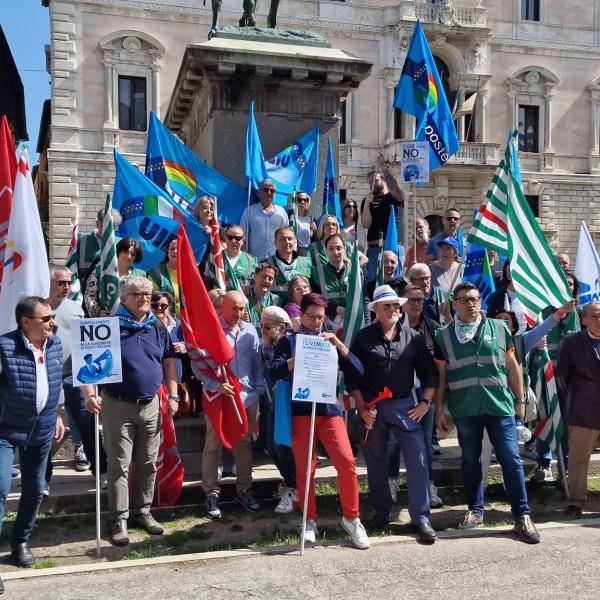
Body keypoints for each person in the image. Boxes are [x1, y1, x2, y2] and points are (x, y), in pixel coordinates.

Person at [433, 282, 540, 544]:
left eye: (474, 298)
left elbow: (512, 366)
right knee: (470, 461)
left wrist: (520, 399)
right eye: (464, 300)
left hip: (499, 407)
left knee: (511, 460)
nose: (471, 304)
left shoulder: (500, 328)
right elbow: (441, 377)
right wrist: (439, 410)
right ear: (454, 304)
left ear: (480, 301)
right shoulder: (443, 336)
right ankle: (475, 510)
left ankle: (522, 516)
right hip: (465, 409)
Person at [84, 276, 179, 546]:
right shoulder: (108, 327)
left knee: (148, 463)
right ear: (123, 298)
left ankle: (143, 512)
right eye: (136, 294)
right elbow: (86, 365)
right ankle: (119, 519)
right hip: (116, 405)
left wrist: (172, 395)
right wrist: (90, 394)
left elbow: (169, 362)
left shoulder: (157, 326)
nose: (143, 298)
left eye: (147, 294)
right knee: (119, 466)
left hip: (151, 404)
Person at [270, 293, 370, 550]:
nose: (316, 322)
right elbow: (275, 371)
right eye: (311, 316)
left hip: (329, 410)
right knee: (305, 468)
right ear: (301, 315)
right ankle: (309, 520)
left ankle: (351, 518)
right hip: (301, 410)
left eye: (320, 317)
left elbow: (358, 371)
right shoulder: (289, 341)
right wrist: (298, 357)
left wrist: (339, 345)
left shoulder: (330, 340)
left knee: (347, 462)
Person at [347, 285, 439, 543]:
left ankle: (421, 518)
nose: (392, 310)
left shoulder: (413, 337)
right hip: (373, 408)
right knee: (375, 462)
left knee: (417, 460)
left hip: (405, 406)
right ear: (375, 310)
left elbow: (430, 373)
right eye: (386, 305)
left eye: (396, 305)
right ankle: (381, 511)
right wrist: (362, 408)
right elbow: (352, 377)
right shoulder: (363, 338)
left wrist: (426, 403)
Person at [0, 297, 65, 575]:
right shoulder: (4, 346)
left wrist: (58, 413)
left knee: (36, 489)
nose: (53, 322)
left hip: (42, 428)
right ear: (25, 322)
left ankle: (21, 542)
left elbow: (55, 379)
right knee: (0, 489)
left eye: (52, 316)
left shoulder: (55, 343)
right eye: (46, 318)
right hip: (5, 429)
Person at [194, 291, 265, 519]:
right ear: (222, 307)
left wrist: (256, 390)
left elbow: (256, 364)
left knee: (243, 445)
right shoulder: (211, 332)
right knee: (213, 445)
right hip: (219, 398)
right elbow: (198, 366)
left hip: (247, 399)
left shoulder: (250, 331)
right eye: (234, 308)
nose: (239, 313)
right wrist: (215, 385)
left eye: (242, 308)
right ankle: (211, 493)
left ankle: (244, 490)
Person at [47, 265, 109, 490]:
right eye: (61, 282)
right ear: (50, 283)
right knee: (47, 430)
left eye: (68, 283)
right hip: (48, 378)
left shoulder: (77, 308)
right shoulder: (39, 307)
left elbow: (88, 343)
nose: (66, 287)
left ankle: (101, 471)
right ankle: (44, 478)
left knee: (88, 425)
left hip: (76, 376)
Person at [556, 302, 600, 518]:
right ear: (583, 320)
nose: (599, 320)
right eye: (594, 316)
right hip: (583, 411)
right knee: (578, 461)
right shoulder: (572, 343)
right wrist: (577, 399)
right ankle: (576, 502)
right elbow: (562, 377)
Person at [259, 305, 298, 514]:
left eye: (267, 326)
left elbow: (277, 370)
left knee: (283, 445)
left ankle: (295, 487)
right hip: (276, 398)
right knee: (272, 446)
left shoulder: (292, 342)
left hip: (291, 399)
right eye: (261, 324)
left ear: (282, 327)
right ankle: (291, 483)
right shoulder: (267, 342)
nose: (262, 329)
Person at [66, 207, 123, 298]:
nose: (108, 230)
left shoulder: (121, 244)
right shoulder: (81, 240)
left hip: (111, 295)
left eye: (113, 227)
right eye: (104, 226)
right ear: (97, 223)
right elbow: (71, 269)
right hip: (85, 295)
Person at [84, 237, 146, 317]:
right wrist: (98, 312)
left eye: (133, 254)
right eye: (125, 252)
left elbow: (145, 298)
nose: (129, 256)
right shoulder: (100, 271)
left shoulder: (140, 274)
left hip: (132, 320)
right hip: (106, 321)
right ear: (118, 252)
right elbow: (89, 296)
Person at [361, 171, 405, 281]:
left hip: (392, 247)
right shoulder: (367, 200)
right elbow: (366, 224)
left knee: (395, 280)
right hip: (374, 250)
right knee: (373, 282)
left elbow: (396, 189)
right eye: (369, 182)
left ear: (384, 180)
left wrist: (383, 169)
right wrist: (366, 204)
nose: (372, 184)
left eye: (375, 181)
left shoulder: (395, 197)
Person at [310, 234, 352, 329]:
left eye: (338, 248)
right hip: (326, 325)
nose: (335, 252)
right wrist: (335, 309)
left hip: (351, 324)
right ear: (326, 251)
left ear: (344, 249)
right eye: (331, 248)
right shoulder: (316, 273)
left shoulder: (355, 272)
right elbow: (315, 301)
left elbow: (363, 301)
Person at [240, 179, 289, 261]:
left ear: (275, 193)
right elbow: (242, 237)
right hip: (254, 260)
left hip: (277, 260)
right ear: (259, 192)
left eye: (272, 191)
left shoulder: (281, 212)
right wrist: (245, 258)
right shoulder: (249, 211)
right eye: (266, 190)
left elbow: (287, 236)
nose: (269, 193)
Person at [267, 227, 312, 301]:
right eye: (282, 239)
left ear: (294, 241)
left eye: (290, 239)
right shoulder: (267, 264)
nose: (287, 242)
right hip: (277, 309)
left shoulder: (307, 263)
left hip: (302, 309)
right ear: (275, 243)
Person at [486, 263, 528, 334]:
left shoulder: (531, 297)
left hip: (527, 341)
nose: (510, 273)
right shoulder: (496, 297)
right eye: (508, 270)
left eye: (514, 271)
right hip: (502, 340)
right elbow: (490, 321)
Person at [147, 238, 181, 315]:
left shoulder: (190, 272)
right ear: (167, 252)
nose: (175, 251)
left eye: (178, 248)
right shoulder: (157, 273)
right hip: (164, 321)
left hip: (189, 322)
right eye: (172, 248)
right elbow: (151, 299)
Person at [223, 225, 258, 294]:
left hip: (242, 302)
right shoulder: (215, 258)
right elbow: (207, 281)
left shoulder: (252, 261)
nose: (233, 241)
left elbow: (256, 283)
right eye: (230, 237)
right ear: (225, 238)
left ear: (243, 241)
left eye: (237, 238)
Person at [247, 263, 280, 327]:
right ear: (255, 276)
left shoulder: (276, 301)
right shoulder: (244, 296)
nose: (266, 281)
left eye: (270, 278)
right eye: (263, 276)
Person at [291, 191, 317, 256]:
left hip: (308, 251)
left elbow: (317, 239)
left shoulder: (311, 219)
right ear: (295, 202)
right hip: (295, 251)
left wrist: (315, 230)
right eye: (299, 200)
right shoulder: (291, 218)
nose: (302, 202)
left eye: (305, 200)